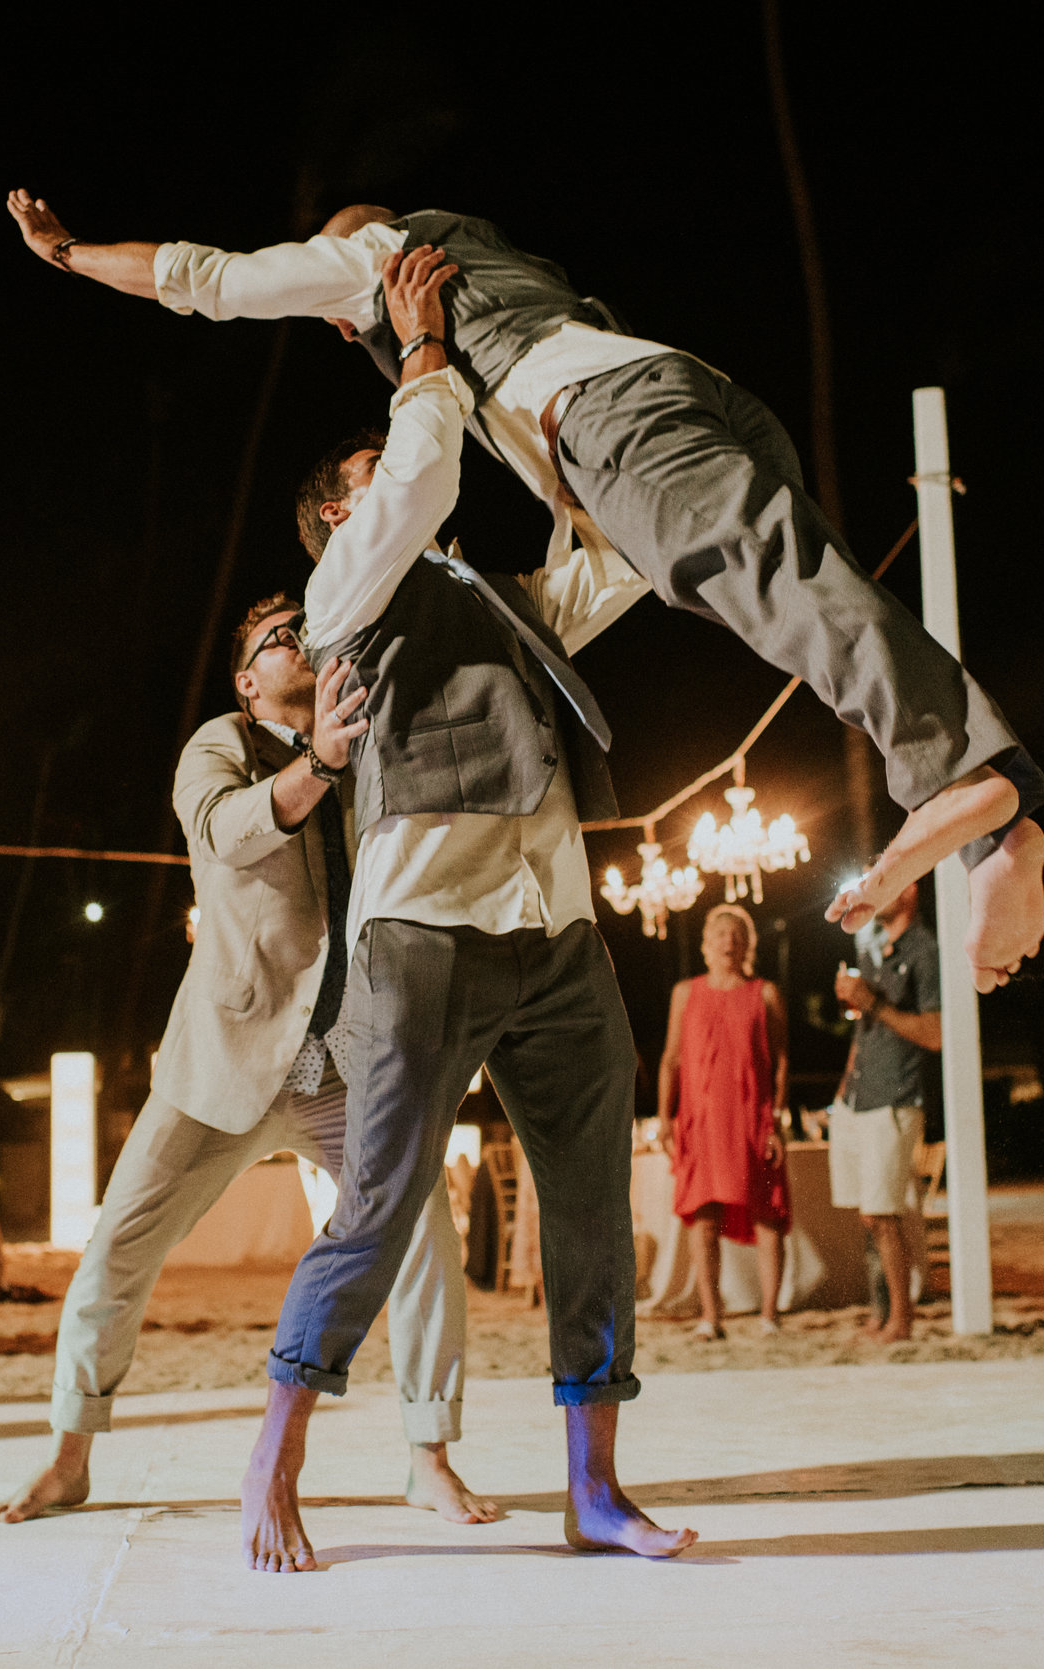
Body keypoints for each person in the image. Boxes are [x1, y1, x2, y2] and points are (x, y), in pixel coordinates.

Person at [6, 192, 1044, 992]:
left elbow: (210, 278)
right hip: (685, 392)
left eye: (334, 313)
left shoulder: (377, 262)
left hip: (609, 424)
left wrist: (65, 253)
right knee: (788, 586)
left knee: (781, 589)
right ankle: (990, 818)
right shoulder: (493, 254)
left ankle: (966, 784)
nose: (339, 331)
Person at [238, 246, 692, 1571]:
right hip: (424, 932)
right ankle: (278, 1451)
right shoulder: (345, 595)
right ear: (335, 518)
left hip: (554, 933)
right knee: (377, 1201)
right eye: (374, 479)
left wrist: (561, 427)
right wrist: (424, 357)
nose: (405, 484)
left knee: (593, 1208)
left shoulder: (496, 599)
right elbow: (420, 470)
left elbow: (610, 554)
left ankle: (595, 1489)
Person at [0, 592, 493, 1527]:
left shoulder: (371, 737)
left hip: (345, 1062)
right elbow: (224, 830)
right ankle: (70, 1451)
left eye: (309, 624)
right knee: (117, 1247)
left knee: (423, 1226)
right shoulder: (218, 744)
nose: (300, 639)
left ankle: (429, 1454)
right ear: (247, 676)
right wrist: (318, 764)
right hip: (224, 1057)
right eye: (277, 636)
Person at [656, 902, 790, 1340]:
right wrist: (664, 1117)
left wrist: (775, 1120)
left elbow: (781, 1061)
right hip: (701, 1120)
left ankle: (770, 1314)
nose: (728, 941)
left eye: (736, 934)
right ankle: (711, 1318)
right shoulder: (683, 993)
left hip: (752, 1117)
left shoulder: (765, 994)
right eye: (720, 934)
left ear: (748, 944)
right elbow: (672, 1059)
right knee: (703, 1216)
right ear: (706, 945)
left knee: (767, 1214)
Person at [829, 874, 941, 1343]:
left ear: (910, 889)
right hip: (858, 1095)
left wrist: (871, 1003)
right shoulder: (871, 947)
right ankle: (881, 1315)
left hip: (896, 1096)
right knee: (867, 1213)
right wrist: (841, 1090)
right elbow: (866, 1029)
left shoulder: (925, 951)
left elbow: (934, 1033)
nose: (874, 891)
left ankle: (902, 1320)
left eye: (886, 882)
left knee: (884, 1213)